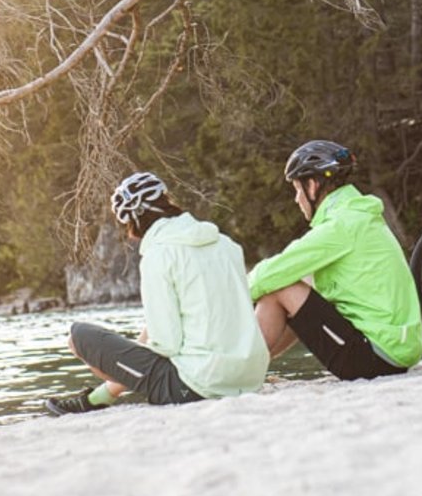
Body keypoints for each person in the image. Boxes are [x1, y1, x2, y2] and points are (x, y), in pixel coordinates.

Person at [45, 171, 270, 415]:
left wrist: (128, 356)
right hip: (250, 377)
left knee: (79, 336)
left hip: (197, 386)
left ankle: (98, 398)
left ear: (133, 221)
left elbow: (166, 344)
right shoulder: (227, 244)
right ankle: (99, 397)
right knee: (151, 338)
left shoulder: (159, 255)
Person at [249, 139, 422, 380]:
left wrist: (231, 297)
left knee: (279, 286)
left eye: (297, 190)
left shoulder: (341, 226)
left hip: (376, 356)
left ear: (312, 186)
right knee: (302, 282)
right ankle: (253, 364)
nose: (296, 199)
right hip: (395, 349)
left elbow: (269, 274)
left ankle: (240, 367)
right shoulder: (357, 215)